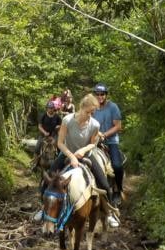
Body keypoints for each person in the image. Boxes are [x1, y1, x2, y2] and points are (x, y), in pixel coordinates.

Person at [52, 93, 119, 228]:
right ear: (81, 107)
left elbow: (93, 144)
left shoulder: (95, 124)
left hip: (86, 155)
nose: (90, 115)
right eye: (88, 112)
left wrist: (83, 150)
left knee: (105, 185)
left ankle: (110, 213)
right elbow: (60, 143)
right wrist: (71, 156)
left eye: (92, 113)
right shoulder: (67, 120)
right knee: (49, 176)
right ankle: (44, 209)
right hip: (67, 153)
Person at [93, 83, 125, 206]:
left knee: (117, 165)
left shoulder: (113, 107)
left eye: (102, 94)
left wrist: (104, 135)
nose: (99, 96)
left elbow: (118, 126)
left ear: (106, 95)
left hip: (110, 141)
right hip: (94, 141)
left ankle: (118, 190)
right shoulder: (93, 108)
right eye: (97, 94)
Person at [32, 100, 62, 167]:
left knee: (60, 148)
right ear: (47, 108)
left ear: (54, 108)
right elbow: (39, 126)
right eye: (49, 108)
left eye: (52, 108)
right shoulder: (43, 116)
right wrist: (44, 132)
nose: (51, 109)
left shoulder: (57, 117)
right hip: (44, 135)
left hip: (54, 135)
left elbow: (61, 125)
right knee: (37, 148)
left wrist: (58, 127)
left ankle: (59, 164)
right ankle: (34, 163)